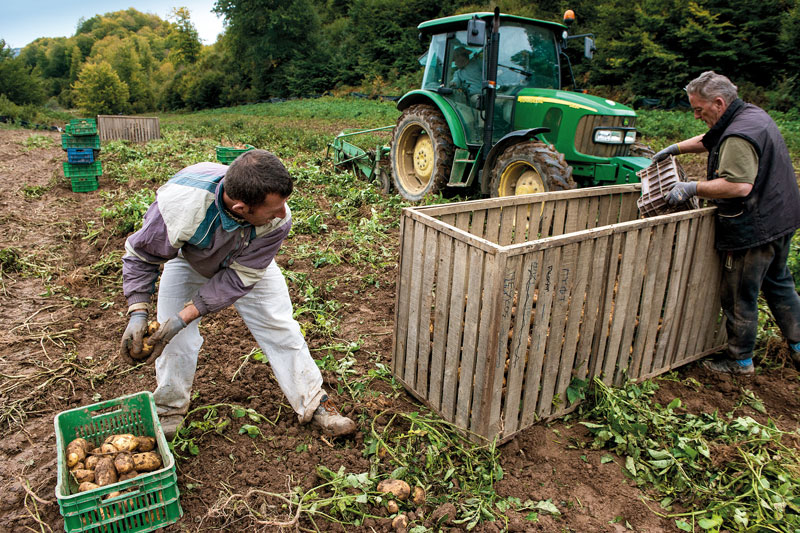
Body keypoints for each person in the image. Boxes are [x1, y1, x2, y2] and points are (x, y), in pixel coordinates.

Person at [119, 149, 356, 438]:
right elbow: (141, 256)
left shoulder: (278, 219)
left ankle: (314, 402)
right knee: (174, 339)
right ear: (242, 208)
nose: (283, 213)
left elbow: (238, 278)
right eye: (273, 210)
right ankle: (168, 410)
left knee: (280, 327)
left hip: (246, 262)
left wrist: (185, 316)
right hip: (190, 259)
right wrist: (138, 311)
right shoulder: (180, 204)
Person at [654, 71, 800, 375]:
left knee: (739, 295)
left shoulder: (737, 135)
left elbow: (738, 186)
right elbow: (711, 139)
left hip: (754, 228)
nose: (696, 116)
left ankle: (739, 361)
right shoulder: (750, 116)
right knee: (779, 283)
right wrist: (676, 148)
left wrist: (692, 187)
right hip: (781, 219)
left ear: (718, 103)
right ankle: (799, 345)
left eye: (699, 109)